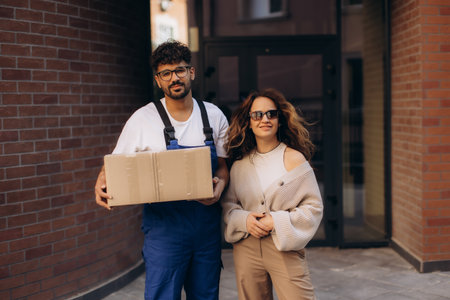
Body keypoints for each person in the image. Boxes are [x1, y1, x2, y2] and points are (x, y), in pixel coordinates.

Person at [94, 40, 229, 300]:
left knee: (206, 295)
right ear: (158, 81)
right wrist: (101, 180)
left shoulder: (213, 116)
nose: (174, 78)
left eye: (179, 70)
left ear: (191, 72)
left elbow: (223, 167)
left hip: (206, 228)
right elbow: (115, 163)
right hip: (165, 231)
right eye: (165, 73)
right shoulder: (143, 119)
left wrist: (220, 186)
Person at [222, 88, 323, 300]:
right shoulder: (240, 166)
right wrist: (245, 220)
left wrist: (276, 221)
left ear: (280, 120)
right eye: (257, 115)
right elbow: (229, 207)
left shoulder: (294, 159)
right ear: (249, 122)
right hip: (246, 247)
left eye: (271, 114)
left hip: (284, 248)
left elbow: (314, 207)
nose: (265, 119)